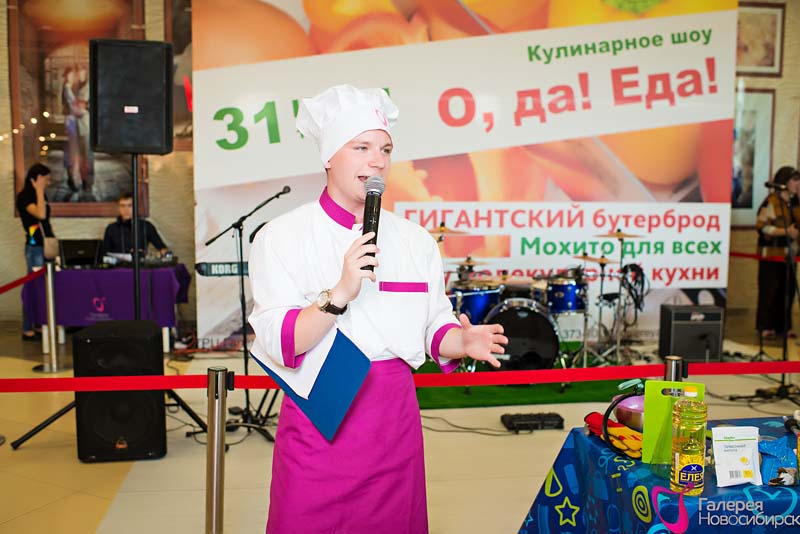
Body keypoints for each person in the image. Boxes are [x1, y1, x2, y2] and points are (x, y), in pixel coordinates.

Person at [248, 84, 507, 533]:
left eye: (385, 149)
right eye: (362, 147)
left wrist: (460, 340)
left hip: (393, 420)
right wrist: (340, 293)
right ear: (329, 157)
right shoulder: (281, 236)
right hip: (319, 417)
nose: (378, 161)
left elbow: (433, 323)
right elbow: (282, 342)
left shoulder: (414, 240)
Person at [756, 166, 800, 339]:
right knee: (770, 290)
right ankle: (766, 326)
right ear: (784, 182)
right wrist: (786, 232)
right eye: (794, 180)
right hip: (772, 253)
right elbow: (762, 227)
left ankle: (785, 327)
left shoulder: (795, 203)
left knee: (788, 290)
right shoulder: (771, 201)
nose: (798, 183)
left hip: (790, 254)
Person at [16, 163, 55, 341]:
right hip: (35, 247)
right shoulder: (24, 197)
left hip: (46, 244)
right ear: (37, 178)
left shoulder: (41, 195)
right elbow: (40, 215)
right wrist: (38, 190)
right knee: (33, 287)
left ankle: (40, 323)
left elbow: (46, 220)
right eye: (45, 179)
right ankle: (27, 327)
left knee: (46, 287)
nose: (48, 182)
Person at [102, 193, 168, 257]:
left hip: (140, 263)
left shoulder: (146, 226)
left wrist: (160, 254)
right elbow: (105, 253)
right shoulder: (111, 228)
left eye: (130, 206)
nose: (126, 209)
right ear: (118, 208)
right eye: (122, 206)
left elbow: (162, 248)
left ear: (136, 207)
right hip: (117, 264)